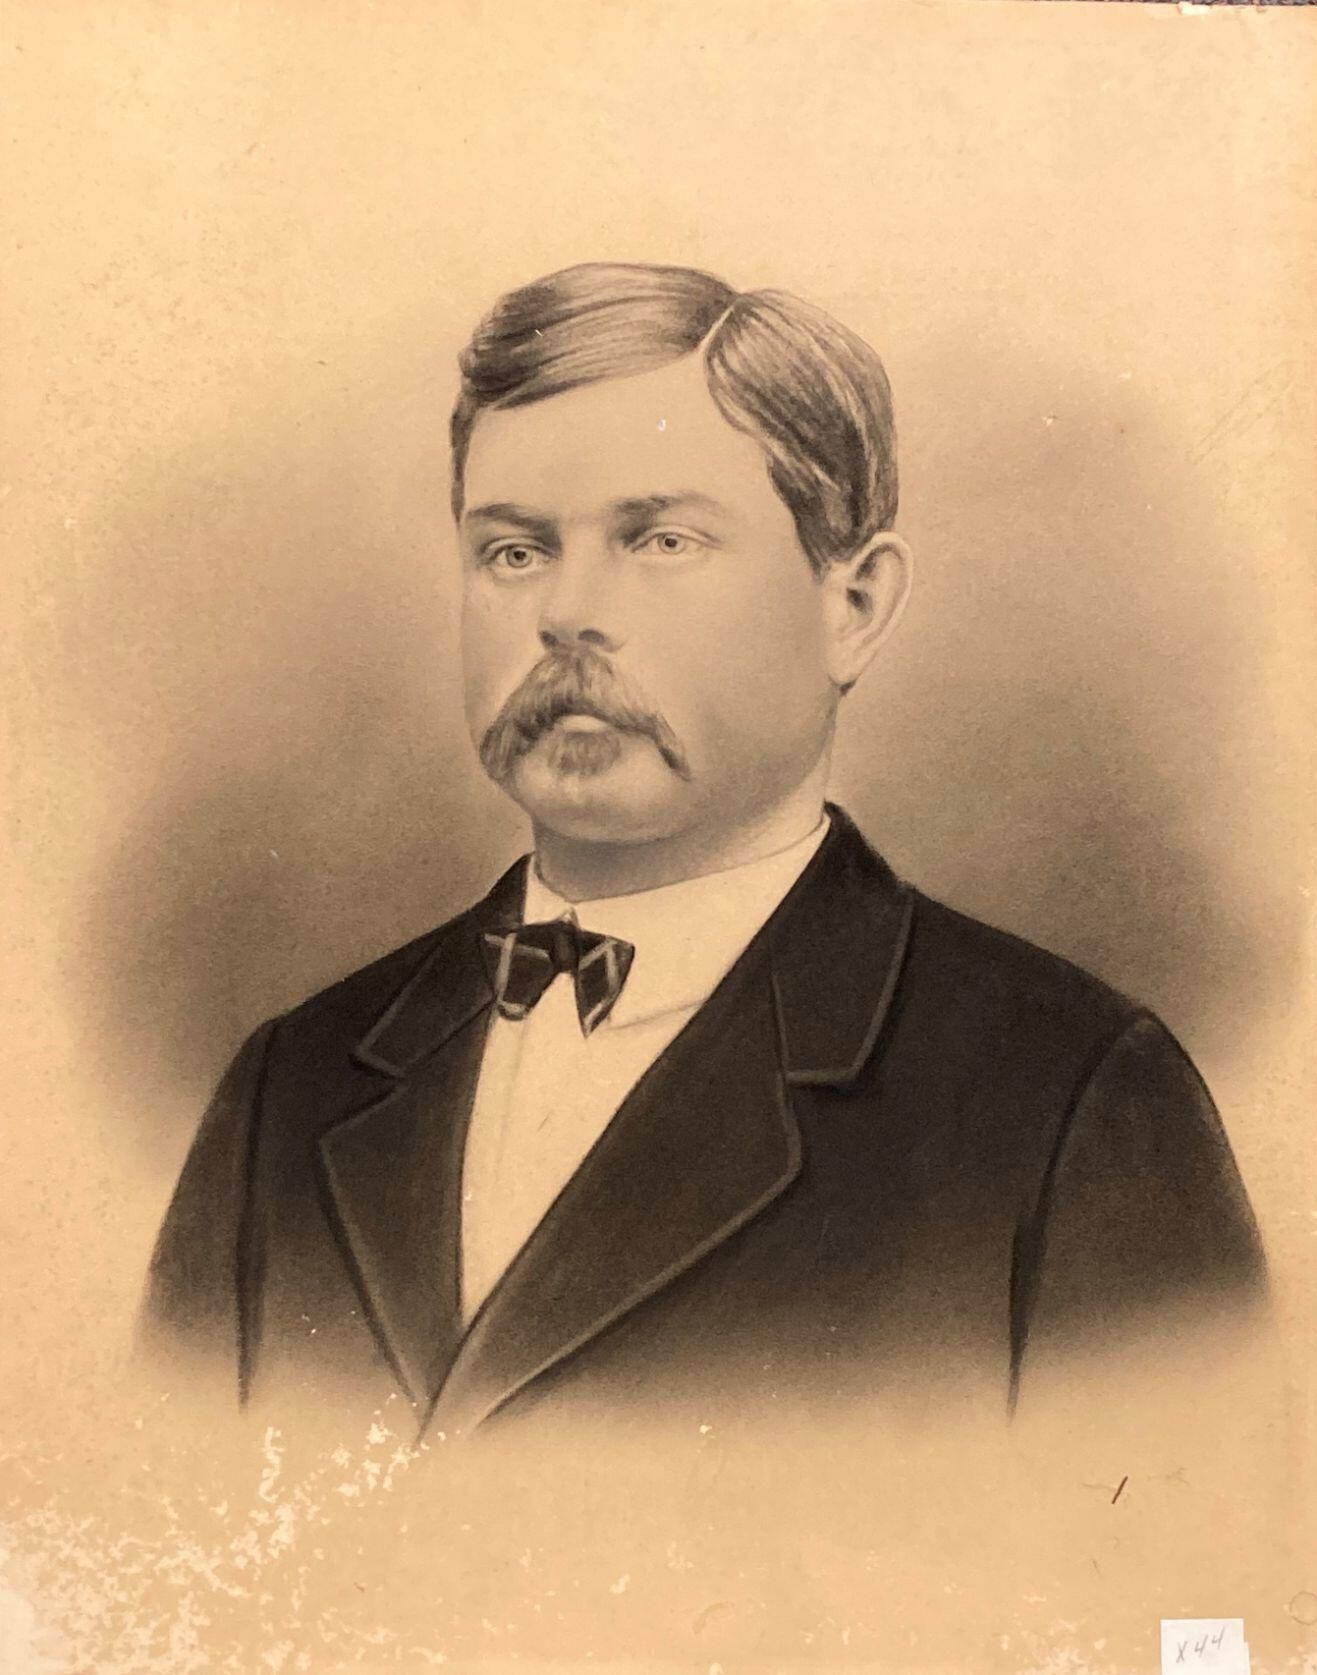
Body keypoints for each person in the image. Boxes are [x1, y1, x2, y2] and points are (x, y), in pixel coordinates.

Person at [141, 262, 1267, 1443]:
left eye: (662, 539)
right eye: (514, 551)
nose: (566, 611)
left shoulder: (1075, 1100)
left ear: (854, 607)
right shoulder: (289, 1084)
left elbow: (1163, 1546)